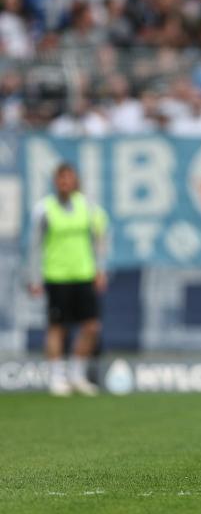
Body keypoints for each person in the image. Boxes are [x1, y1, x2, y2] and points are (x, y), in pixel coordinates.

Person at [28, 163, 108, 396]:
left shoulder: (89, 208)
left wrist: (100, 269)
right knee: (57, 327)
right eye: (61, 179)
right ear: (55, 182)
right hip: (57, 275)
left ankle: (77, 374)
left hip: (83, 274)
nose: (65, 183)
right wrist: (34, 277)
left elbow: (100, 239)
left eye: (69, 179)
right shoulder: (44, 209)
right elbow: (34, 246)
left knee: (91, 326)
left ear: (76, 181)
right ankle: (56, 377)